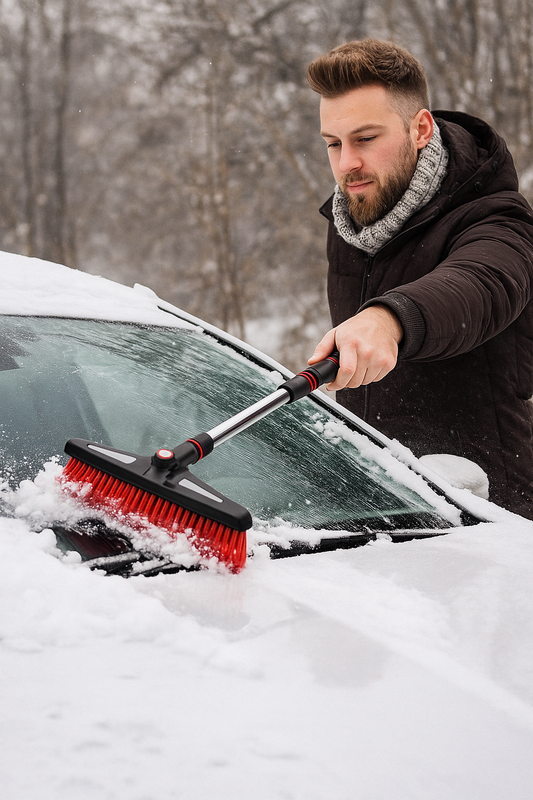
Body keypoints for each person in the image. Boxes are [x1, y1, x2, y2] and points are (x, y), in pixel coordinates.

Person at [306, 38, 533, 518]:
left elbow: (482, 282)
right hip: (385, 510)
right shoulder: (353, 222)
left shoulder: (498, 218)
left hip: (491, 515)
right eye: (334, 143)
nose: (347, 164)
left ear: (421, 129)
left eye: (366, 139)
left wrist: (387, 320)